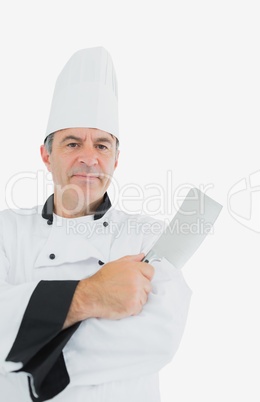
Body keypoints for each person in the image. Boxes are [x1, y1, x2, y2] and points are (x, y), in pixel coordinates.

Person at [0, 47, 192, 402]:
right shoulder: (6, 232)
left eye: (102, 146)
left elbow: (159, 337)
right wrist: (93, 293)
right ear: (47, 154)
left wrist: (32, 365)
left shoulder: (147, 236)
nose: (89, 158)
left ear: (116, 160)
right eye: (73, 143)